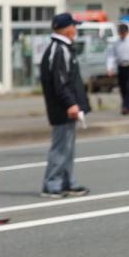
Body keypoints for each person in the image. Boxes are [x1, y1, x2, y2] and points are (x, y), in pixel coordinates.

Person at [39, 12, 91, 199]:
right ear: (66, 29)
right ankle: (51, 184)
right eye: (74, 26)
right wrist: (71, 103)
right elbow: (60, 81)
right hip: (62, 107)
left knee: (68, 147)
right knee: (61, 147)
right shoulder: (58, 49)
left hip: (67, 106)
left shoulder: (64, 48)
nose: (75, 29)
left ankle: (67, 182)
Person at [106, 22, 129, 115]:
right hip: (121, 66)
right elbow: (111, 56)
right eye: (120, 33)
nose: (121, 35)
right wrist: (110, 67)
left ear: (127, 32)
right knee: (123, 88)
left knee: (128, 86)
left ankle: (125, 106)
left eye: (123, 33)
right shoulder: (116, 43)